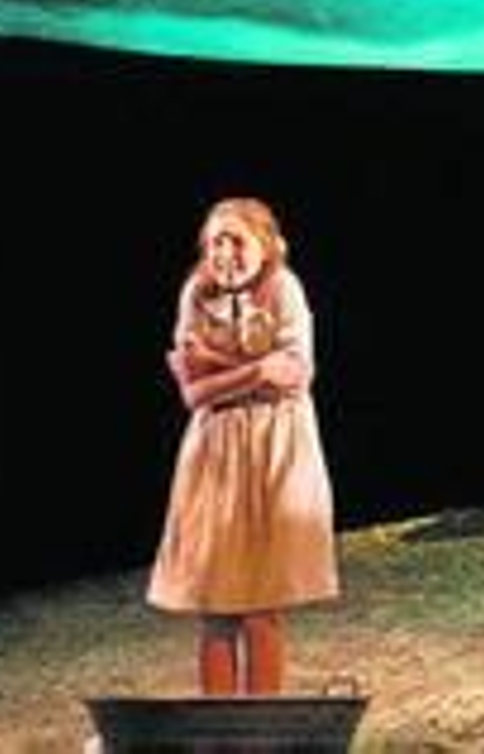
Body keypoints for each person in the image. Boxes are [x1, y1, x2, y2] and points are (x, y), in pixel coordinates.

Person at [147, 197, 340, 695]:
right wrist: (256, 371)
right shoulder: (195, 293)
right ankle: (220, 729)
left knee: (262, 608)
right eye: (216, 242)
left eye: (237, 240)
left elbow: (295, 376)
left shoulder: (284, 288)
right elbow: (194, 395)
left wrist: (214, 362)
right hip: (215, 453)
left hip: (277, 447)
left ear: (266, 245)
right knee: (216, 609)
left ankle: (261, 729)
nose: (225, 252)